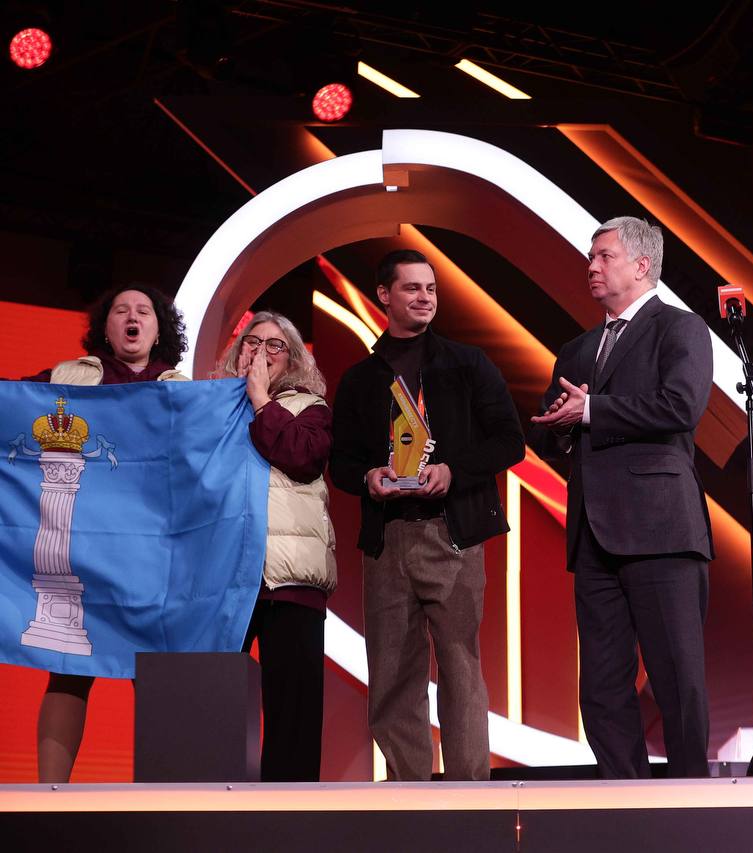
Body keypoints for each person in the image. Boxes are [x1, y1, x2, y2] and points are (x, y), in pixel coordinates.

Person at [529, 216, 714, 778]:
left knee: (676, 675)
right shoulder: (577, 349)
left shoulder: (679, 328)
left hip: (661, 528)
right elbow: (550, 431)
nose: (591, 266)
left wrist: (591, 410)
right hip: (593, 533)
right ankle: (624, 796)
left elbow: (680, 406)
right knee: (602, 683)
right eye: (591, 256)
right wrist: (561, 423)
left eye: (604, 256)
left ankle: (691, 797)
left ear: (641, 265)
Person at [329, 249, 523, 781]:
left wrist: (454, 470)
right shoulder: (361, 379)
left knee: (461, 668)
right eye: (412, 288)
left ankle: (470, 798)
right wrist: (368, 477)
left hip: (452, 534)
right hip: (388, 540)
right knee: (392, 673)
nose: (424, 297)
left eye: (431, 288)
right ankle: (408, 796)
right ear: (384, 296)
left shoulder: (467, 364)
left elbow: (509, 441)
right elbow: (341, 462)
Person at [20, 283, 189, 783]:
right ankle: (49, 798)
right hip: (83, 548)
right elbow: (15, 406)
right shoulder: (69, 377)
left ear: (158, 329)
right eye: (121, 310)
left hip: (153, 556)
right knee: (68, 669)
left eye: (143, 311)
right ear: (106, 327)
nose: (132, 317)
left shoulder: (183, 389)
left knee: (153, 674)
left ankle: (163, 800)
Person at [216, 310, 335, 782]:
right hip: (224, 578)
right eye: (253, 341)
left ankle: (289, 814)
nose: (262, 352)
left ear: (293, 359)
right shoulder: (213, 406)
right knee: (211, 706)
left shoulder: (311, 408)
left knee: (292, 714)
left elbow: (303, 458)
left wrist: (262, 400)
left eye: (275, 345)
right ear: (237, 350)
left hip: (291, 580)